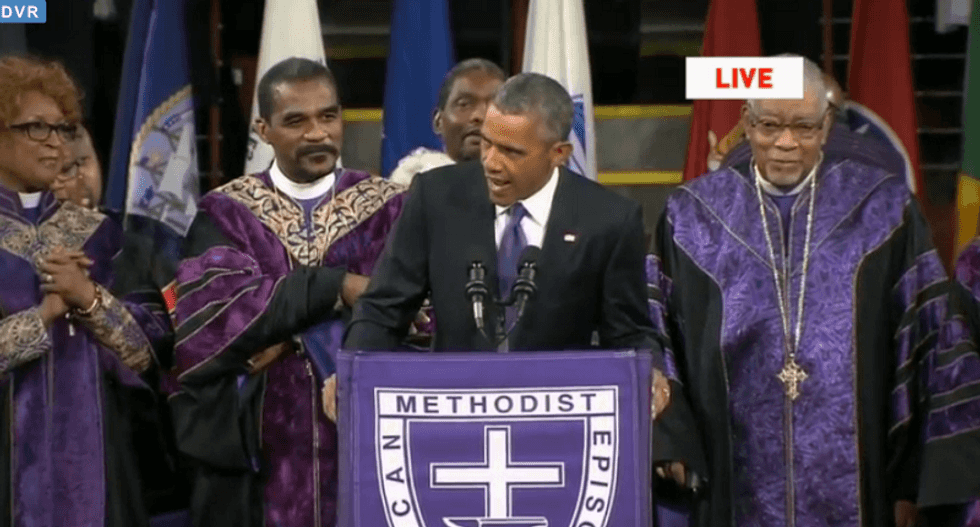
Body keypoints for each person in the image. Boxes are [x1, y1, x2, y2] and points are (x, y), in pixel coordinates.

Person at [649, 57, 951, 527]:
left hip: (858, 475)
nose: (786, 142)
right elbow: (655, 334)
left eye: (804, 127)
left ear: (826, 125)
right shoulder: (693, 217)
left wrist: (913, 478)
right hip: (732, 470)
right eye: (770, 125)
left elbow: (928, 343)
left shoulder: (883, 209)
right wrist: (674, 440)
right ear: (747, 124)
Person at [168, 57, 407, 527]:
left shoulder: (389, 208)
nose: (317, 133)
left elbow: (415, 314)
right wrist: (339, 290)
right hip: (261, 454)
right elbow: (213, 324)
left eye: (328, 116)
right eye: (296, 121)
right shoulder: (226, 214)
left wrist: (288, 332)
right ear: (263, 129)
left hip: (367, 444)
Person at [344, 72, 670, 412]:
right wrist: (352, 370)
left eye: (511, 152)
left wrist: (650, 373)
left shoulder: (608, 219)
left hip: (557, 416)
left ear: (559, 153)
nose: (491, 162)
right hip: (452, 413)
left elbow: (628, 332)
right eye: (487, 143)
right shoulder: (435, 196)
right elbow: (383, 308)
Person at [0, 55, 173, 526]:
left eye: (62, 128)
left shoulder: (101, 235)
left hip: (100, 460)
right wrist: (44, 315)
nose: (55, 143)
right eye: (36, 128)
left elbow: (147, 351)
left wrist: (90, 299)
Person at [389, 58, 506, 186]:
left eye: (494, 106)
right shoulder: (411, 180)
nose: (479, 116)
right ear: (438, 121)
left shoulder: (521, 186)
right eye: (464, 104)